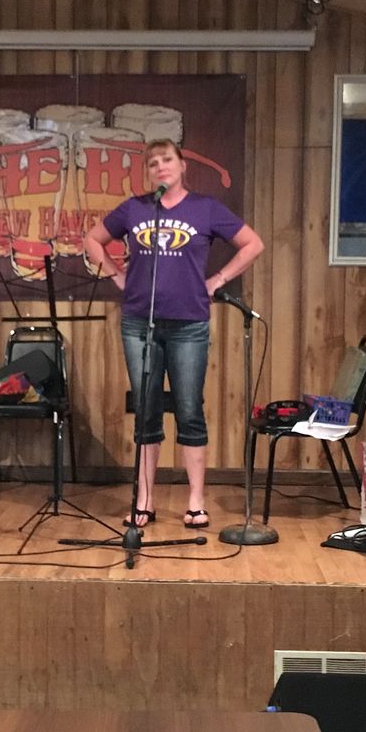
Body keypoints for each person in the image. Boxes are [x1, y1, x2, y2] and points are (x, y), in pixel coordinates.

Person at [82, 138, 264, 529]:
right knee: (146, 411)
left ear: (182, 166)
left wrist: (218, 278)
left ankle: (196, 501)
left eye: (167, 160)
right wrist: (117, 275)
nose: (160, 167)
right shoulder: (135, 209)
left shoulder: (205, 208)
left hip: (188, 324)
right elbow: (92, 240)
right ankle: (145, 499)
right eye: (152, 163)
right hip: (139, 322)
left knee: (189, 409)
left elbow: (253, 243)